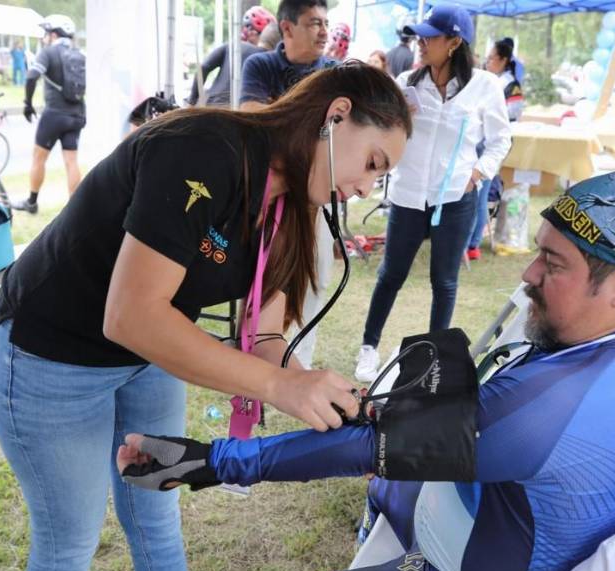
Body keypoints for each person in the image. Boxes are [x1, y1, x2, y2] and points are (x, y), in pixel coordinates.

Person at [116, 146, 615, 571]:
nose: (530, 274)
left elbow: (367, 448)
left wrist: (211, 462)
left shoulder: (552, 409)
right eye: (539, 252)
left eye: (554, 265)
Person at [0, 63, 411, 571]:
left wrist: (329, 403)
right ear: (336, 115)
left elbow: (266, 335)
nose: (366, 187)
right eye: (371, 162)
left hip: (150, 358)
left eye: (378, 177)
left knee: (156, 509)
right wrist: (279, 385)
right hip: (53, 354)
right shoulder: (204, 148)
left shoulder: (291, 204)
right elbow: (131, 316)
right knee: (70, 542)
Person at [354, 5, 511, 382]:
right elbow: (387, 131)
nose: (420, 43)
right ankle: (368, 348)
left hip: (457, 198)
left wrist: (477, 174)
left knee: (444, 281)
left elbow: (500, 139)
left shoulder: (484, 86)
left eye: (430, 37)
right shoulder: (408, 81)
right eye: (419, 36)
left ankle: (433, 355)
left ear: (455, 42)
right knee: (390, 274)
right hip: (409, 196)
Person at [241, 0, 339, 369]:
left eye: (326, 22)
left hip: (316, 198)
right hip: (270, 192)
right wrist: (311, 124)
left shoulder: (334, 73)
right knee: (261, 275)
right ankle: (256, 354)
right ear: (287, 28)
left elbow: (340, 138)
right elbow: (251, 119)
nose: (324, 31)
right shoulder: (261, 64)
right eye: (315, 22)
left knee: (315, 277)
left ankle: (299, 360)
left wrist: (279, 113)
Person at [12, 14, 85, 214]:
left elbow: (31, 77)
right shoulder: (80, 54)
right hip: (77, 113)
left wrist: (27, 103)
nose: (44, 37)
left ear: (53, 33)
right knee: (71, 161)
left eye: (46, 33)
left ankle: (32, 202)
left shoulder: (48, 52)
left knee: (38, 158)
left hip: (54, 113)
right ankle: (75, 210)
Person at [466, 36, 525, 261]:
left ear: (503, 60)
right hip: (481, 141)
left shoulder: (510, 84)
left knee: (479, 194)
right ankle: (471, 243)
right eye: (487, 58)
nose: (488, 62)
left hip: (491, 143)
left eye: (492, 58)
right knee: (477, 194)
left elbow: (512, 116)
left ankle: (471, 243)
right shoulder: (492, 80)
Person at [188, 6, 276, 107]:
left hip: (209, 106)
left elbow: (204, 67)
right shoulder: (267, 60)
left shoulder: (231, 45)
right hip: (234, 114)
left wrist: (192, 101)